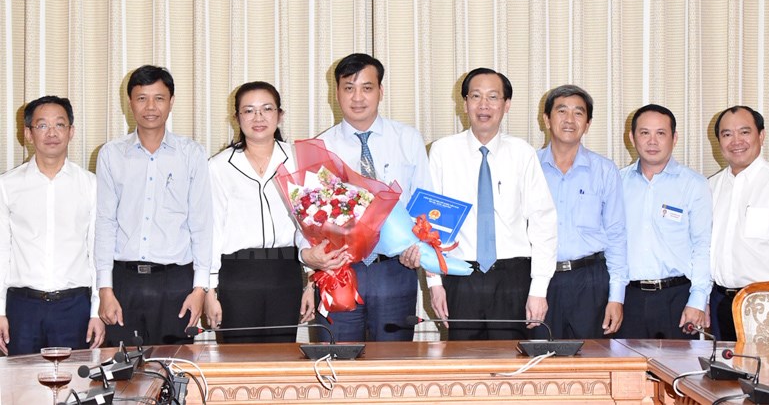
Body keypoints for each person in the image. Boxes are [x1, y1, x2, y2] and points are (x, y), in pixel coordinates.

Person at [402, 67, 558, 340]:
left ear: (506, 105)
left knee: (512, 360)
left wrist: (539, 289)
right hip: (460, 276)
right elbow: (428, 224)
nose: (484, 105)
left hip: (513, 276)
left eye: (493, 97)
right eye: (476, 96)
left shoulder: (522, 153)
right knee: (463, 361)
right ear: (465, 103)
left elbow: (543, 222)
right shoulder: (442, 151)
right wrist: (434, 283)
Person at [300, 53, 432, 342]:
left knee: (394, 362)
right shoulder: (321, 147)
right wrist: (310, 266)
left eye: (367, 88)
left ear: (380, 91)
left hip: (396, 268)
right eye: (349, 88)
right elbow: (305, 215)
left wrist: (423, 254)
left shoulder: (407, 139)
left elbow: (425, 205)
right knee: (337, 360)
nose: (357, 97)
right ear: (336, 93)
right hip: (339, 271)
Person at [94, 65, 212, 346]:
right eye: (142, 98)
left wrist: (200, 288)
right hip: (124, 282)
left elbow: (202, 224)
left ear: (171, 102)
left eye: (159, 98)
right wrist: (105, 288)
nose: (150, 107)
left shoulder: (192, 154)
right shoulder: (111, 154)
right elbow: (105, 223)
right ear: (130, 102)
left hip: (176, 283)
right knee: (121, 368)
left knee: (176, 367)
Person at [204, 81, 315, 343]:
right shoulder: (219, 166)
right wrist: (210, 291)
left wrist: (312, 281)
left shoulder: (299, 159)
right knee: (238, 359)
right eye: (249, 110)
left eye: (267, 109)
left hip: (286, 273)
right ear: (236, 117)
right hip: (237, 276)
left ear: (280, 114)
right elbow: (212, 230)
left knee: (281, 359)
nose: (258, 117)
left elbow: (311, 224)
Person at [0, 96, 105, 355]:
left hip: (74, 307)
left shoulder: (90, 185)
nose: (52, 133)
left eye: (59, 124)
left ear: (71, 131)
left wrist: (96, 311)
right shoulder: (7, 185)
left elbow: (96, 251)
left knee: (74, 380)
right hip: (22, 308)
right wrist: (0, 311)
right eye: (42, 125)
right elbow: (2, 251)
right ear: (28, 133)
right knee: (20, 380)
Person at [534, 84, 627, 339]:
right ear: (546, 119)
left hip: (590, 281)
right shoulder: (529, 167)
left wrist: (616, 297)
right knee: (539, 356)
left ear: (587, 124)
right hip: (540, 280)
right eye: (561, 111)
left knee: (592, 357)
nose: (569, 119)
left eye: (578, 113)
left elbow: (617, 235)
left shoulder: (605, 170)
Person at [617, 104, 712, 339]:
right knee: (627, 363)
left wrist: (698, 299)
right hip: (629, 298)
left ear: (674, 138)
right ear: (632, 137)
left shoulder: (694, 184)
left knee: (679, 364)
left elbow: (703, 246)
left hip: (677, 298)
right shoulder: (617, 182)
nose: (652, 141)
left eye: (661, 133)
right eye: (644, 133)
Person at [708, 105, 769, 340]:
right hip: (720, 302)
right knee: (723, 364)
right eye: (727, 134)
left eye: (744, 132)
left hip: (768, 304)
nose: (736, 141)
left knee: (766, 365)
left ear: (761, 135)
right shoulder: (711, 186)